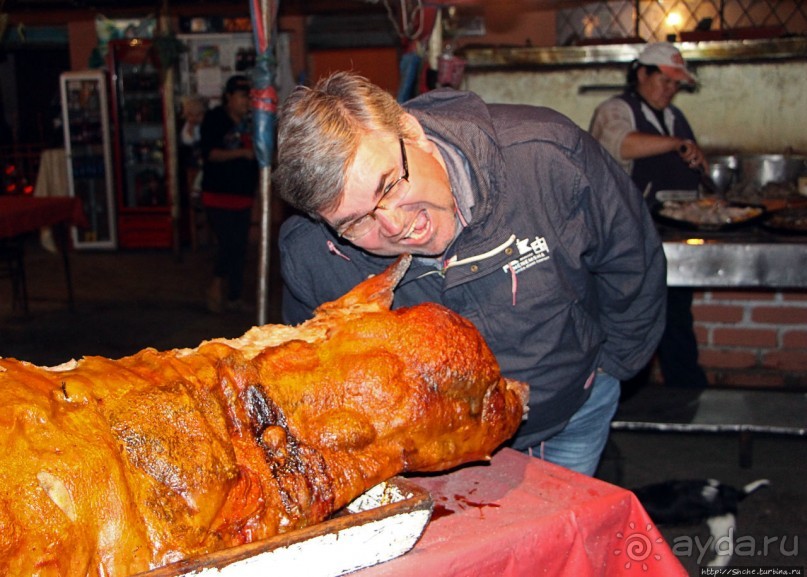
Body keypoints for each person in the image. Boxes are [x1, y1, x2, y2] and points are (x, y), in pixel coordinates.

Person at [273, 71, 668, 476]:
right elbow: (316, 370)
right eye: (357, 222)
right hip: (430, 452)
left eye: (389, 186)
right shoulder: (312, 251)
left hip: (566, 416)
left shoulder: (546, 157)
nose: (394, 225)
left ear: (412, 134)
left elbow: (632, 259)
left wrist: (611, 366)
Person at [590, 42, 710, 390]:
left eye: (675, 84)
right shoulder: (615, 109)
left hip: (672, 231)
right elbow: (619, 144)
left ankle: (684, 391)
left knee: (676, 315)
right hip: (628, 238)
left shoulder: (673, 117)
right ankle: (624, 397)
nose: (670, 90)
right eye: (664, 80)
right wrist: (675, 144)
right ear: (642, 73)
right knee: (632, 320)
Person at [199, 75, 258, 313]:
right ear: (229, 97)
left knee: (240, 247)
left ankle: (234, 296)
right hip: (217, 195)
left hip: (243, 195)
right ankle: (215, 286)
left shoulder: (252, 123)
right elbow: (210, 154)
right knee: (228, 243)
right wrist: (242, 153)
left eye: (250, 98)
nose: (247, 102)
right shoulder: (214, 119)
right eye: (243, 97)